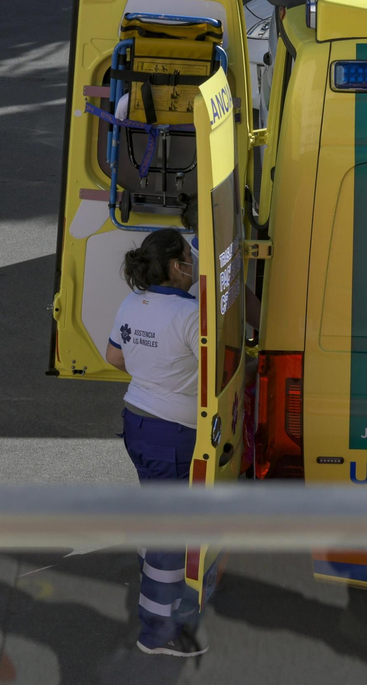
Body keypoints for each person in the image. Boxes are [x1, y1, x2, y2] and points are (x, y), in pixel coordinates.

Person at [103, 229, 208, 658]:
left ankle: (152, 570)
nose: (193, 261)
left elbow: (114, 357)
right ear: (175, 266)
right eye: (188, 255)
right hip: (173, 434)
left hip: (138, 422)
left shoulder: (134, 302)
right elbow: (218, 373)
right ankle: (157, 634)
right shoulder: (191, 315)